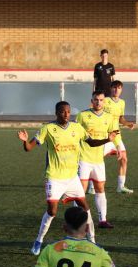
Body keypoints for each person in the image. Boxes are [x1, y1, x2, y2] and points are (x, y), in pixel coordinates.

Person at [18, 101, 118, 255]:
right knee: (52, 211)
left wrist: (108, 139)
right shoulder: (48, 129)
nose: (66, 114)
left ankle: (92, 241)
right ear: (56, 112)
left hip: (72, 178)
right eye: (63, 112)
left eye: (68, 112)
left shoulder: (77, 128)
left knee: (85, 208)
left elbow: (91, 142)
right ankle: (39, 240)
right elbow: (28, 148)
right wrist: (25, 140)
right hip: (55, 178)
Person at [76, 91, 119, 229]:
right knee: (80, 191)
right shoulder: (82, 115)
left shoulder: (109, 117)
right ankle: (78, 219)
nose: (98, 102)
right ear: (91, 101)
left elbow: (114, 134)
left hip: (98, 160)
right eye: (96, 100)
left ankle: (102, 220)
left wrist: (117, 147)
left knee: (100, 189)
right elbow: (75, 134)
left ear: (104, 101)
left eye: (101, 100)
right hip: (83, 158)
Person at [103, 80, 135, 194]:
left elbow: (121, 118)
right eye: (115, 87)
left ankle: (120, 187)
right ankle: (92, 185)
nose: (117, 90)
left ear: (121, 90)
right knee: (95, 159)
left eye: (119, 88)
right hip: (104, 135)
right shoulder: (104, 100)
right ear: (111, 88)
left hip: (116, 134)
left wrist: (127, 124)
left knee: (124, 159)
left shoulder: (122, 102)